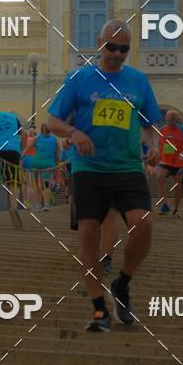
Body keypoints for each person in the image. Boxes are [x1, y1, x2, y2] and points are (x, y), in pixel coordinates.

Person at [47, 19, 161, 332]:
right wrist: (74, 133)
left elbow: (150, 124)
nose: (117, 54)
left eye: (124, 49)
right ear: (100, 43)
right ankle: (99, 309)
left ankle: (122, 283)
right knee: (88, 233)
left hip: (128, 167)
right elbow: (52, 121)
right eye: (112, 47)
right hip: (89, 168)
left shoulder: (138, 81)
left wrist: (154, 146)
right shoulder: (79, 78)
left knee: (144, 224)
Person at [0, 102, 23, 229]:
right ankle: (13, 207)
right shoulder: (12, 117)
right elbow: (24, 134)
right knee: (13, 183)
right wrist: (21, 152)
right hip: (13, 150)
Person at [155, 110, 183, 217]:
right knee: (159, 176)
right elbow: (158, 144)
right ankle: (164, 205)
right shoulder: (162, 129)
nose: (171, 120)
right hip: (165, 161)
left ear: (178, 119)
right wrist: (157, 154)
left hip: (178, 163)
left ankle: (175, 209)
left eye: (174, 118)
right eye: (170, 118)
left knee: (178, 185)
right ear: (166, 118)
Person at [33, 123, 59, 211]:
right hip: (45, 165)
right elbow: (58, 153)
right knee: (42, 186)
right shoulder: (54, 139)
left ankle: (42, 205)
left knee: (42, 185)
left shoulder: (38, 137)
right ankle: (43, 205)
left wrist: (22, 156)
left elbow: (29, 146)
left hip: (42, 165)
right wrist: (57, 165)